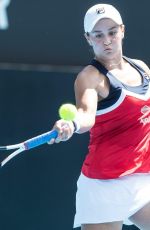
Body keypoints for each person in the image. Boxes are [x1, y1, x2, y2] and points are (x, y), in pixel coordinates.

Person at [49, 3, 150, 230]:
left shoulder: (142, 69)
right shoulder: (90, 78)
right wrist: (72, 124)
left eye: (112, 32)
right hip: (103, 186)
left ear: (122, 30)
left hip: (142, 178)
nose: (107, 41)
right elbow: (86, 115)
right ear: (88, 38)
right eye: (98, 35)